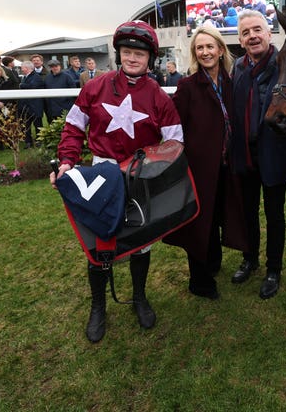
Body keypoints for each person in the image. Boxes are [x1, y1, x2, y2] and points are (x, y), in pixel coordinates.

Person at [50, 20, 184, 343]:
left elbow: (175, 144)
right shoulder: (95, 88)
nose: (132, 58)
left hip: (141, 175)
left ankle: (139, 297)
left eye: (139, 53)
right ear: (119, 53)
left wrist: (157, 171)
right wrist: (68, 161)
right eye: (127, 52)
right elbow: (72, 128)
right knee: (100, 242)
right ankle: (98, 307)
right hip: (102, 173)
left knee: (141, 240)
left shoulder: (160, 99)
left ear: (149, 57)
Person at [163, 26, 247, 299]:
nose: (205, 52)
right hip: (198, 169)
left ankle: (213, 262)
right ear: (195, 53)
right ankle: (199, 281)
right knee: (199, 223)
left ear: (220, 49)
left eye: (210, 46)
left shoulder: (231, 82)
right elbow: (175, 125)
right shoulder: (188, 86)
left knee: (218, 217)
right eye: (199, 48)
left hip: (225, 166)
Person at [230, 10, 286, 299]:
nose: (252, 36)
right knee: (247, 213)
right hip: (244, 153)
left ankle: (273, 269)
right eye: (245, 32)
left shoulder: (285, 65)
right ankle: (250, 258)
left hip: (274, 152)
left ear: (269, 34)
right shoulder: (238, 68)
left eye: (257, 29)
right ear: (241, 40)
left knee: (274, 215)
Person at [18, 60, 45, 148]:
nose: (21, 69)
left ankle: (40, 141)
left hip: (35, 105)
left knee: (38, 125)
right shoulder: (25, 77)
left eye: (22, 67)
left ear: (27, 68)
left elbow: (33, 87)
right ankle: (28, 142)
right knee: (26, 125)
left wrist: (22, 85)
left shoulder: (36, 77)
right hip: (26, 105)